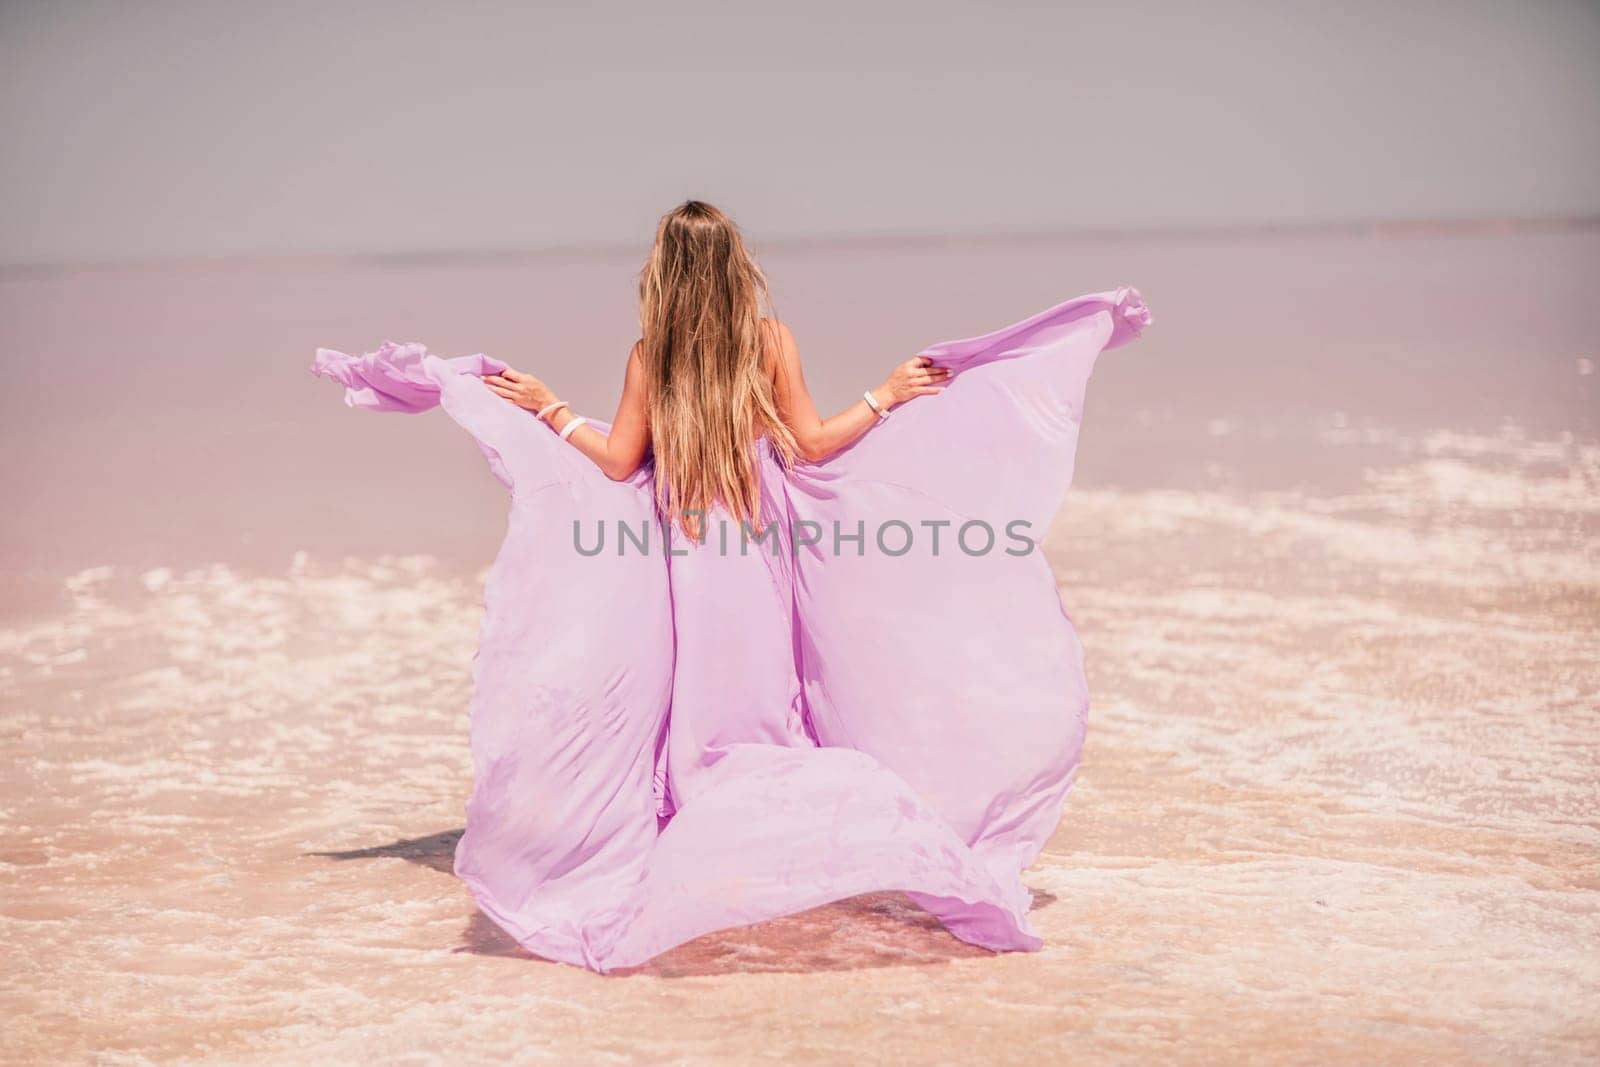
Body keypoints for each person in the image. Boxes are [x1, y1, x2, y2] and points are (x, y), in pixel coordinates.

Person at [312, 199, 1150, 972]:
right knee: (769, 710)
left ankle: (727, 848)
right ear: (734, 267)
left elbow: (618, 462)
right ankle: (802, 844)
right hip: (759, 549)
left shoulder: (654, 354)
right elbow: (815, 445)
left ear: (665, 272)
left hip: (688, 555)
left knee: (702, 714)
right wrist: (887, 394)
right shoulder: (769, 340)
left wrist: (547, 409)